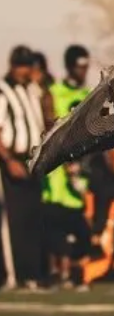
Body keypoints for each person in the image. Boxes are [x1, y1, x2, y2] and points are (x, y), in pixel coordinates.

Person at [41, 46, 92, 288]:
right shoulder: (54, 92)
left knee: (76, 220)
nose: (83, 71)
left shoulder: (88, 94)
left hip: (80, 164)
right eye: (80, 66)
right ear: (70, 66)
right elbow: (50, 127)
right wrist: (65, 160)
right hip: (57, 165)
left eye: (85, 67)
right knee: (55, 221)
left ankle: (73, 271)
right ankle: (55, 272)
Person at [0, 45, 46, 288]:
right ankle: (13, 274)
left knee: (32, 219)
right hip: (12, 159)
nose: (25, 71)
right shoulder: (3, 91)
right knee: (14, 221)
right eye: (21, 66)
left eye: (28, 66)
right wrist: (8, 161)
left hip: (32, 159)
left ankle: (31, 273)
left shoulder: (32, 90)